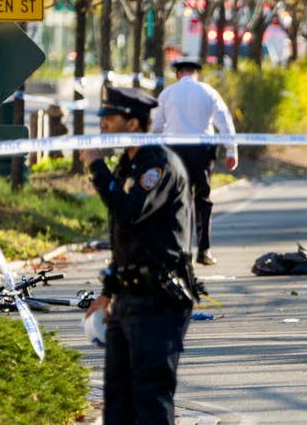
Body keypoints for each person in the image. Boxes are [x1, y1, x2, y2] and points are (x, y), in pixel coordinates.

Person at [81, 85, 196, 425]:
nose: (103, 126)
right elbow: (126, 235)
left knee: (150, 395)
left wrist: (97, 168)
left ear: (132, 124)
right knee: (117, 399)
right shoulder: (127, 163)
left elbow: (131, 211)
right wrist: (108, 292)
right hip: (128, 297)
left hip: (158, 297)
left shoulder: (157, 164)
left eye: (110, 119)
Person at [152, 57, 238, 266]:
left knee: (176, 200)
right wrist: (231, 150)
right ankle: (204, 250)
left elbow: (156, 126)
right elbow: (224, 120)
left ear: (178, 73)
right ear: (196, 73)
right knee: (202, 199)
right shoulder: (208, 92)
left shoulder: (168, 93)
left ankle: (179, 250)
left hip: (175, 152)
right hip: (202, 151)